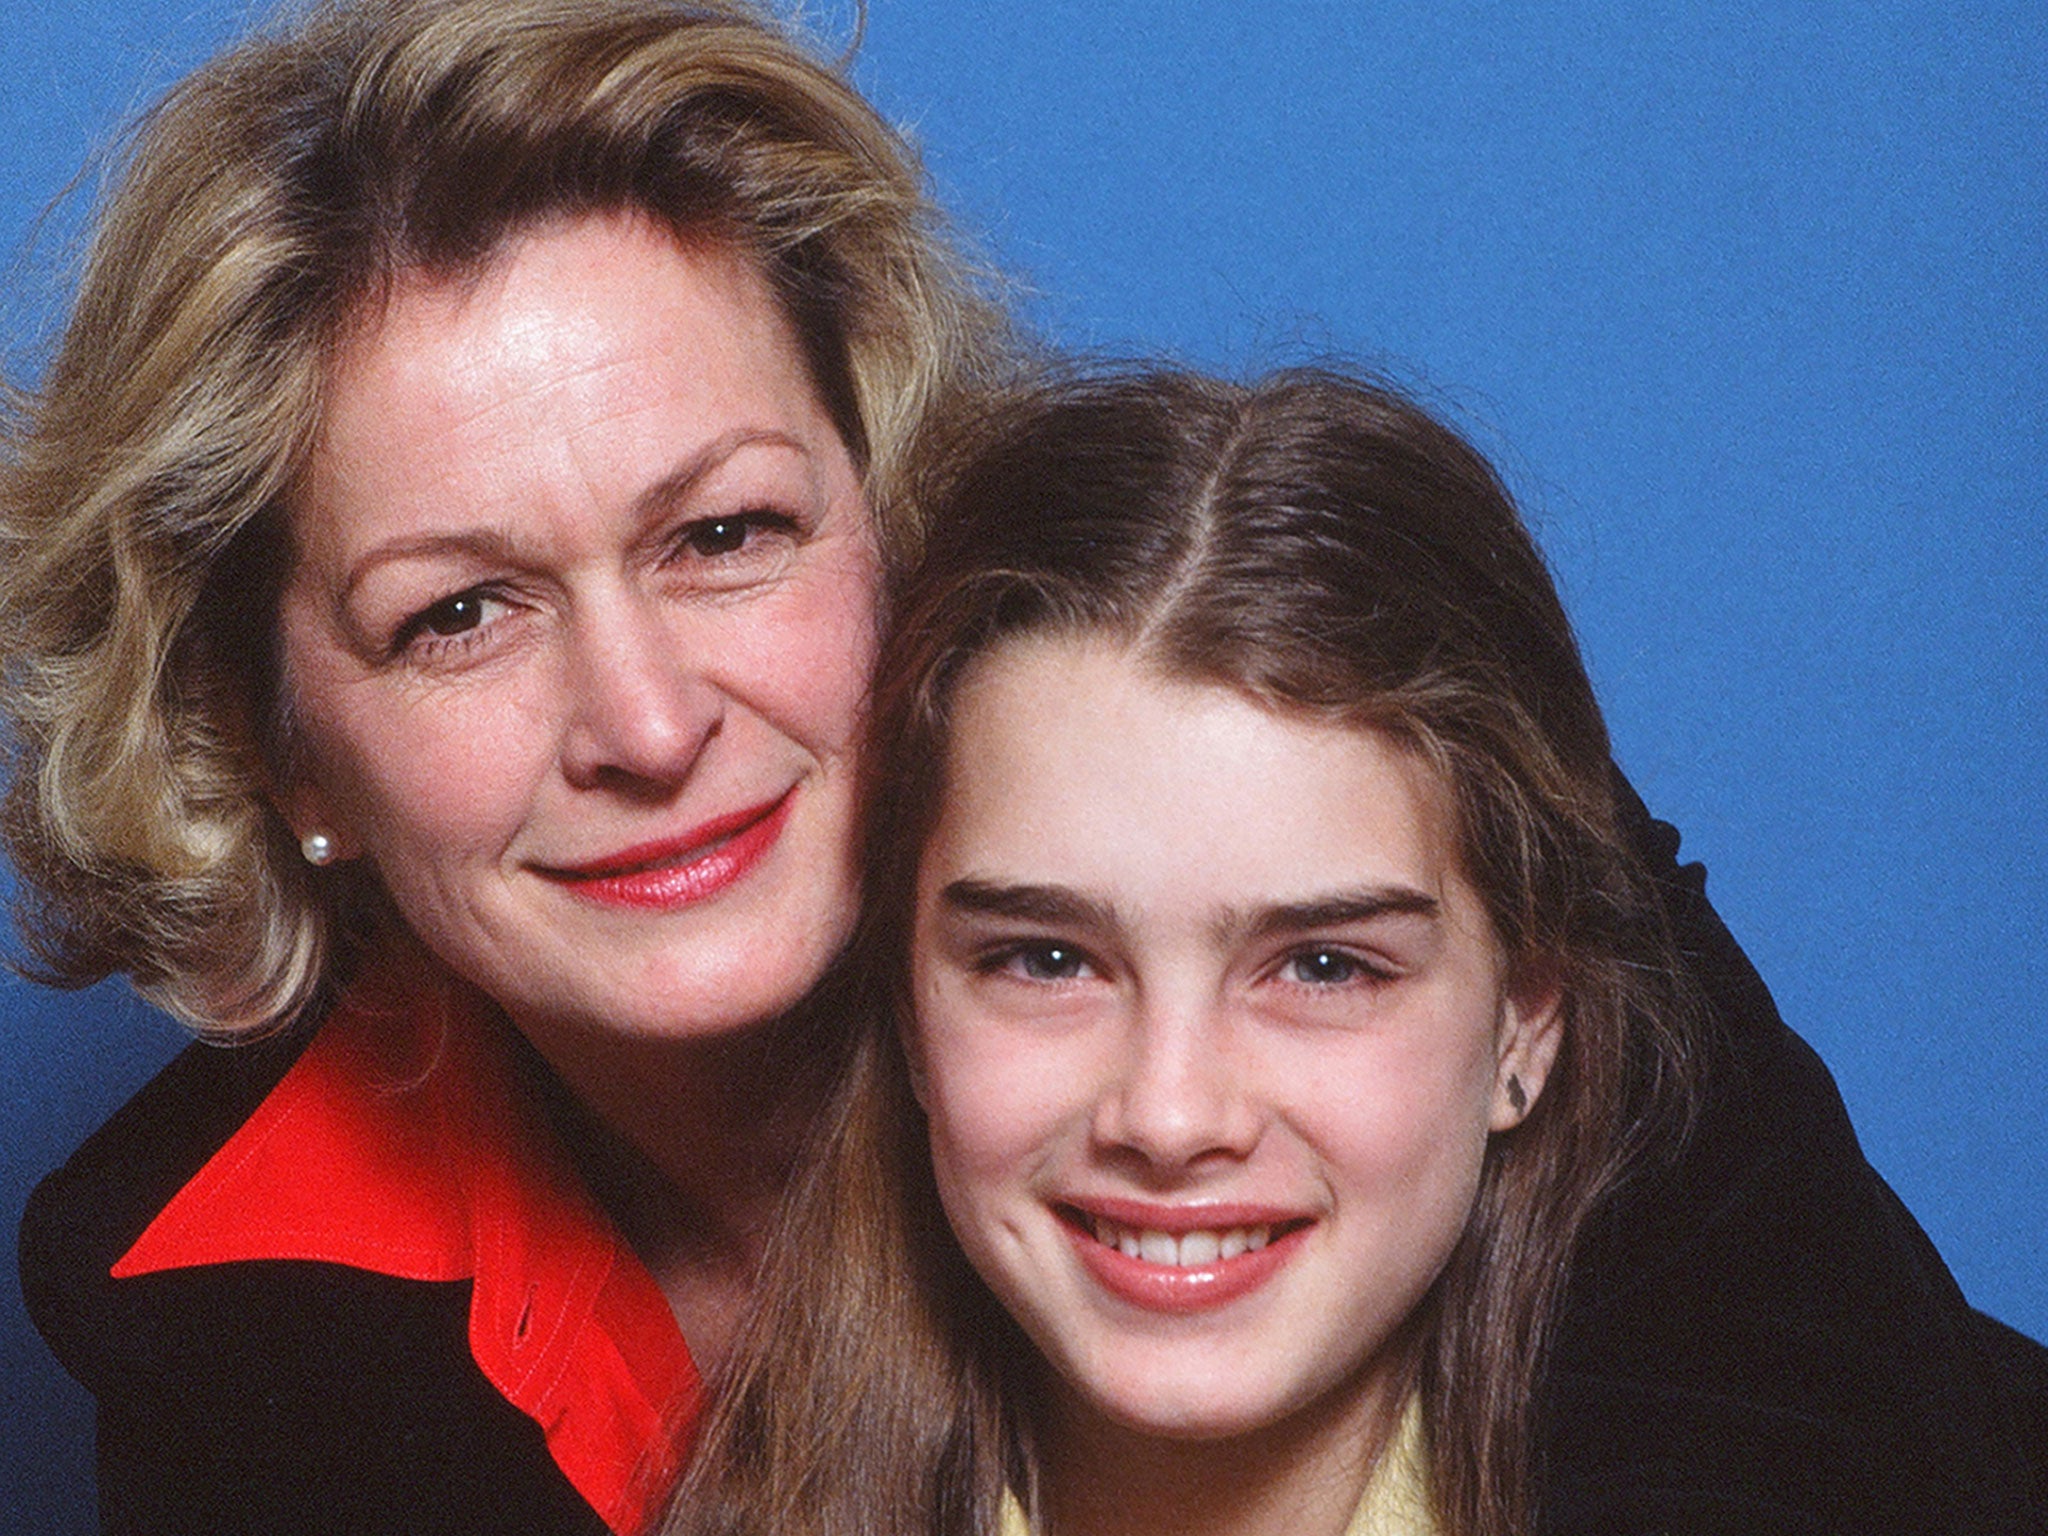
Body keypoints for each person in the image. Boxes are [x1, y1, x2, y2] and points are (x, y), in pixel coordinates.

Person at [666, 368, 2048, 1536]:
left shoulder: (1861, 1439)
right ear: (908, 1013)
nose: (1170, 1112)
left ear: (1526, 1025)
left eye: (1325, 967)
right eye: (1044, 959)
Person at [3, 1, 1005, 1531]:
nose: (649, 729)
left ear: (895, 517)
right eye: (458, 615)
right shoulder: (210, 1317)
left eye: (725, 534)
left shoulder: (1281, 1040)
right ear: (279, 755)